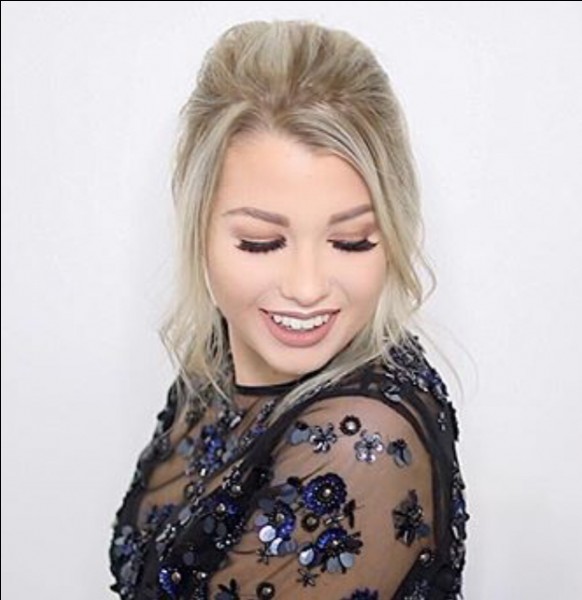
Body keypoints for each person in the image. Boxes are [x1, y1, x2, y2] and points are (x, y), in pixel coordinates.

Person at [109, 19, 469, 600]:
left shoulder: (359, 444)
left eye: (351, 242)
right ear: (197, 224)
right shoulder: (218, 360)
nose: (306, 288)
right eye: (261, 243)